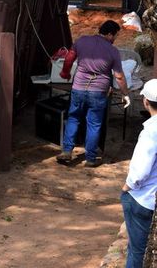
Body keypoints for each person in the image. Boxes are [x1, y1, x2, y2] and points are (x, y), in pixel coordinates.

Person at [58, 20, 130, 167]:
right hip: (98, 92)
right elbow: (119, 76)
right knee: (94, 124)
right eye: (115, 36)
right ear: (109, 34)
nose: (114, 39)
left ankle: (67, 151)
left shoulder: (82, 40)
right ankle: (90, 158)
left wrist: (65, 73)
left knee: (73, 118)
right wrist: (125, 93)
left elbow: (69, 58)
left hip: (78, 88)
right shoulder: (112, 51)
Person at [121, 78, 157, 268]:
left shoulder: (151, 131)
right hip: (152, 199)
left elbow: (140, 171)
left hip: (143, 198)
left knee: (136, 250)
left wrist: (127, 187)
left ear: (145, 101)